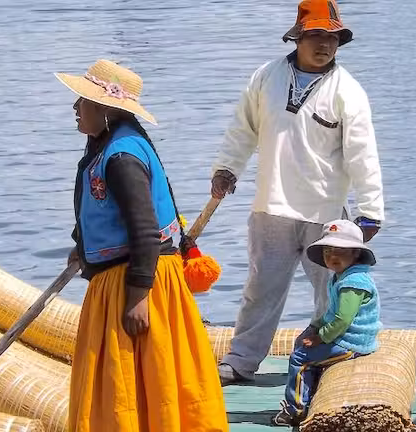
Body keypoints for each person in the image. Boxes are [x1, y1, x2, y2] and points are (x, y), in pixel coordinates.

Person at [210, 0, 385, 385]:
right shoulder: (266, 77)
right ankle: (240, 361)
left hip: (325, 214)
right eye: (317, 35)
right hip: (270, 205)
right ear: (299, 37)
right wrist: (226, 168)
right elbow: (243, 128)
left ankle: (330, 358)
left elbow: (363, 153)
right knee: (260, 289)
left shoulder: (348, 91)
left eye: (332, 38)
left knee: (331, 294)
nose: (325, 44)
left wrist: (370, 210)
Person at [57, 59, 228, 432]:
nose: (74, 109)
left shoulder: (121, 157)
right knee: (148, 376)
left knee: (132, 379)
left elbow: (144, 229)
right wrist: (82, 246)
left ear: (105, 110)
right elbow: (105, 210)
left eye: (81, 101)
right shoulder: (112, 144)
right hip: (134, 276)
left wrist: (137, 297)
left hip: (137, 282)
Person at [272, 219, 382, 426]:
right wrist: (314, 327)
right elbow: (332, 314)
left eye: (340, 251)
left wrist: (319, 338)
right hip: (347, 336)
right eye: (328, 250)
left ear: (356, 253)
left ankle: (295, 410)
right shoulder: (343, 277)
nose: (332, 256)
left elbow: (342, 320)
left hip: (353, 341)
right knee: (301, 344)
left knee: (300, 358)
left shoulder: (352, 283)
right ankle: (308, 395)